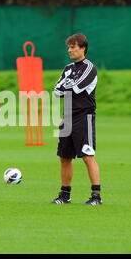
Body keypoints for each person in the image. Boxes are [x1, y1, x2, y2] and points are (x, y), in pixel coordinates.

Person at [51, 33, 103, 205]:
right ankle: (65, 195)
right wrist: (67, 86)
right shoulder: (68, 69)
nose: (70, 50)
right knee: (64, 157)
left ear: (83, 48)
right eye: (69, 47)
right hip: (67, 117)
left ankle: (96, 196)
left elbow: (78, 88)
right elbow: (57, 90)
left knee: (87, 156)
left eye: (73, 47)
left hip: (83, 116)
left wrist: (66, 86)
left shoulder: (89, 68)